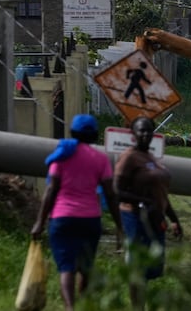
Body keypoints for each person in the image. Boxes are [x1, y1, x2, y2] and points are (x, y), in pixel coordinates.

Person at [31, 114, 124, 311]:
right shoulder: (101, 160)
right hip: (90, 220)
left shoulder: (62, 155)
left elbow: (51, 190)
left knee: (67, 267)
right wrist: (119, 225)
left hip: (62, 218)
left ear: (72, 132)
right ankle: (82, 302)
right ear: (95, 135)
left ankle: (70, 307)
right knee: (85, 266)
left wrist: (39, 221)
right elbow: (110, 194)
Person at [115, 116, 182, 309]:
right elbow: (118, 191)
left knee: (151, 268)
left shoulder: (151, 157)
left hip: (154, 217)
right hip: (135, 217)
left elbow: (160, 194)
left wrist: (174, 220)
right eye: (140, 130)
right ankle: (138, 306)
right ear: (133, 134)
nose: (145, 134)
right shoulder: (129, 157)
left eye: (148, 130)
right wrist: (144, 202)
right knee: (138, 267)